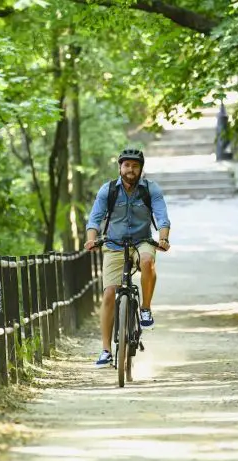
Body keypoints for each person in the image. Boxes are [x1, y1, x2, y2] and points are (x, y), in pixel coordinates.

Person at [84, 148, 171, 368]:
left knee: (147, 261)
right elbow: (94, 219)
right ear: (120, 167)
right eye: (126, 165)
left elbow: (162, 217)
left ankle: (145, 308)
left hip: (142, 241)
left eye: (135, 166)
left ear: (141, 169)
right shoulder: (108, 190)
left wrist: (163, 238)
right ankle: (105, 350)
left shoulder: (151, 190)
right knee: (109, 294)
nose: (130, 170)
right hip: (114, 245)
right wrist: (91, 239)